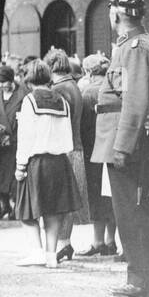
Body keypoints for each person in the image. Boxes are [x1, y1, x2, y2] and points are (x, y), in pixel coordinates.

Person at [94, 0, 149, 297]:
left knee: (132, 210)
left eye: (111, 8)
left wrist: (123, 146)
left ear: (117, 13)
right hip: (130, 138)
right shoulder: (133, 44)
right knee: (132, 209)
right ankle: (140, 277)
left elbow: (135, 101)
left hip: (128, 141)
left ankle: (142, 280)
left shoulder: (134, 48)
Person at [13, 59, 82, 268]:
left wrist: (20, 166)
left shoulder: (29, 101)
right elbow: (67, 134)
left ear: (28, 79)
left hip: (37, 161)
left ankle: (37, 252)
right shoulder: (61, 101)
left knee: (27, 211)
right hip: (60, 161)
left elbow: (26, 137)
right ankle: (51, 255)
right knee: (53, 211)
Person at [44, 47, 90, 261]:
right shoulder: (73, 85)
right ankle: (65, 242)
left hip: (65, 149)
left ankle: (62, 242)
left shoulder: (59, 89)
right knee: (68, 198)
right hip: (76, 147)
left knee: (60, 198)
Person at [77, 53, 116, 256]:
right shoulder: (114, 89)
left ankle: (98, 241)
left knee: (96, 195)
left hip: (93, 151)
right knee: (112, 194)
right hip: (113, 148)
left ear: (87, 72)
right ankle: (111, 240)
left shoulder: (87, 93)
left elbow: (82, 126)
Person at [0, 64, 27, 218]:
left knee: (15, 176)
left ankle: (16, 207)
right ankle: (4, 205)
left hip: (17, 141)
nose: (1, 86)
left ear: (11, 79)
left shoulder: (23, 94)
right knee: (1, 175)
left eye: (4, 82)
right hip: (1, 142)